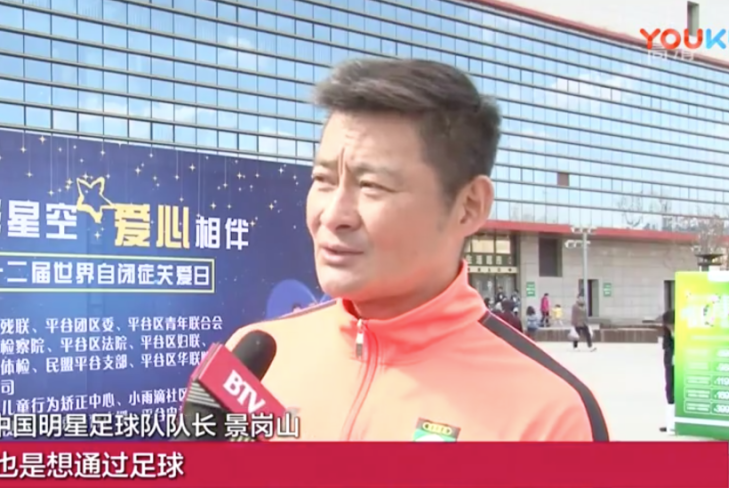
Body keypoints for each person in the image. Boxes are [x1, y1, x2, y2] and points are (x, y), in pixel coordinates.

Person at [226, 59, 607, 441]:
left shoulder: (550, 416)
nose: (333, 215)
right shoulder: (252, 363)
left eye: (372, 185)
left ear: (469, 205)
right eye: (323, 179)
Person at [660, 309, 675, 433]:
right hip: (670, 363)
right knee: (669, 389)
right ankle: (671, 422)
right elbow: (665, 346)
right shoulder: (667, 332)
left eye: (672, 325)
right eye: (668, 325)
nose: (670, 328)